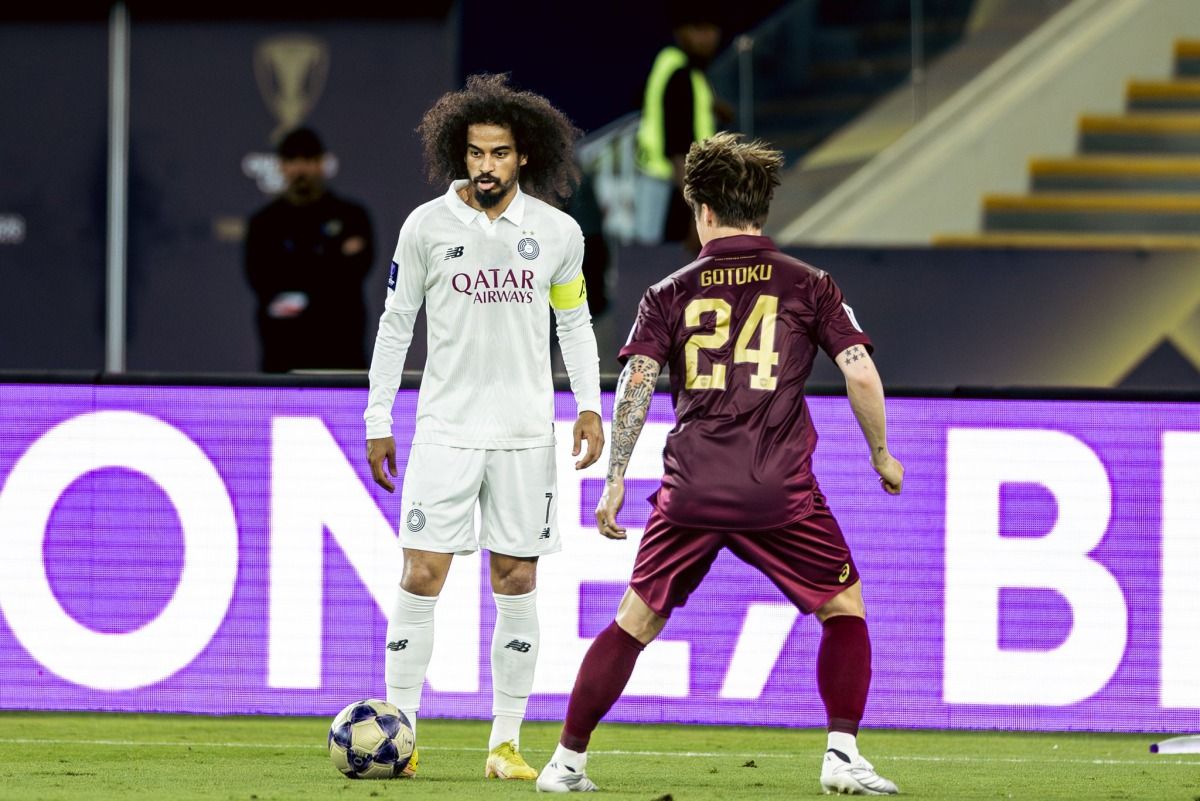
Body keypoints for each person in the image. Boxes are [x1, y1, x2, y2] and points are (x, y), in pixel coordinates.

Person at [536, 132, 904, 795]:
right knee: (843, 606)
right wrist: (881, 453)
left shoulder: (666, 292)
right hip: (778, 490)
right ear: (761, 208)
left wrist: (615, 477)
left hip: (691, 489)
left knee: (634, 621)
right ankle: (842, 754)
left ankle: (565, 762)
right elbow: (860, 373)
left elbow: (637, 384)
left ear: (701, 209)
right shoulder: (811, 284)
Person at [363, 73, 604, 782]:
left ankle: (504, 743)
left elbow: (575, 324)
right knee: (422, 572)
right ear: (458, 153)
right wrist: (379, 417)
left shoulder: (557, 233)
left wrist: (589, 405)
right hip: (445, 430)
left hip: (526, 434)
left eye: (499, 153)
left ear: (523, 155)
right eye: (475, 153)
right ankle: (401, 735)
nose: (487, 165)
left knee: (517, 578)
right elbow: (395, 325)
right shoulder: (426, 226)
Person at [244, 127, 374, 372]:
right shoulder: (264, 223)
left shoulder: (352, 217)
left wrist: (292, 268)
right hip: (283, 355)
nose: (300, 169)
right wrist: (332, 258)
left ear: (322, 163)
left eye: (308, 159)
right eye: (292, 160)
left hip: (341, 351)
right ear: (281, 166)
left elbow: (353, 274)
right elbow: (261, 280)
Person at [634, 6, 722, 249]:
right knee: (655, 259)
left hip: (660, 180)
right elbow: (678, 149)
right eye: (699, 30)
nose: (708, 38)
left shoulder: (671, 63)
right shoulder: (681, 75)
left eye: (712, 30)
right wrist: (697, 211)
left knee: (648, 254)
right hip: (671, 185)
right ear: (682, 33)